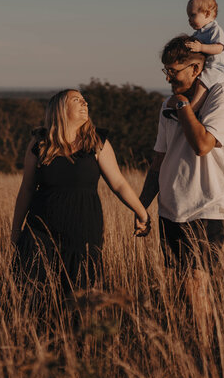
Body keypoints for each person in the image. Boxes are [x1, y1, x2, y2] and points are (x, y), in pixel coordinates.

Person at [11, 89, 151, 293]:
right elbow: (27, 188)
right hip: (40, 229)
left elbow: (118, 183)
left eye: (85, 100)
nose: (85, 104)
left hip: (83, 229)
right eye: (77, 100)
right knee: (33, 293)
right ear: (60, 108)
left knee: (79, 293)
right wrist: (16, 231)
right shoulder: (40, 142)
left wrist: (142, 213)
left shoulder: (96, 142)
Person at [139, 34, 224, 275]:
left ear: (196, 68)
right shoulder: (168, 104)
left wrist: (183, 106)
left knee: (196, 281)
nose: (167, 78)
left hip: (209, 207)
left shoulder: (223, 94)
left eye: (173, 71)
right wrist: (141, 207)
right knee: (181, 283)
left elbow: (202, 145)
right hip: (170, 208)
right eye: (165, 70)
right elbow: (159, 161)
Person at [169, 0, 224, 118]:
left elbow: (219, 48)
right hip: (204, 68)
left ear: (206, 14)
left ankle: (189, 113)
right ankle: (184, 107)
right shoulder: (198, 34)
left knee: (201, 84)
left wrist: (201, 47)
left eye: (192, 15)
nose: (189, 20)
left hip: (215, 68)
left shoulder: (215, 30)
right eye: (188, 16)